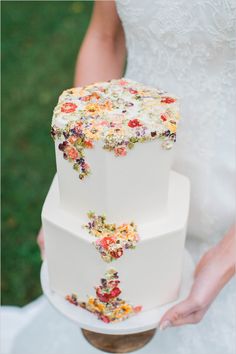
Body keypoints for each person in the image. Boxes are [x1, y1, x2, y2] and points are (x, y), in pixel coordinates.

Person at [37, 0, 236, 330]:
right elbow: (105, 38)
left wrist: (228, 257)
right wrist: (76, 187)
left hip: (223, 184)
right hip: (120, 165)